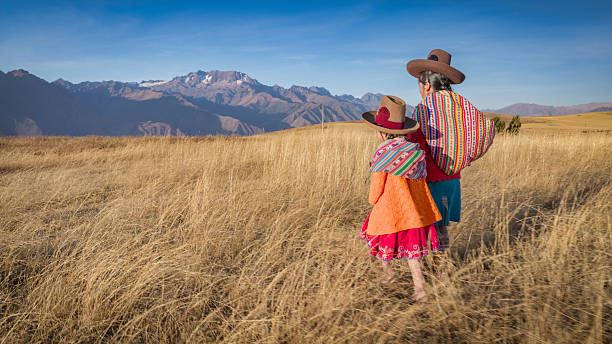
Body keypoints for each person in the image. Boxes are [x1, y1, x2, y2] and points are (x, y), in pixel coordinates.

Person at [360, 95, 442, 301]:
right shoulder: (416, 151)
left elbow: (376, 188)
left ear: (383, 133)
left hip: (390, 211)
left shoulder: (383, 154)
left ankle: (389, 275)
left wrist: (373, 201)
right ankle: (420, 289)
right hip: (413, 211)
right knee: (413, 253)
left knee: (375, 240)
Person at [405, 49, 466, 250]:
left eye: (420, 85)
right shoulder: (457, 108)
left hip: (432, 179)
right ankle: (442, 269)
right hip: (452, 178)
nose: (420, 90)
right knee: (441, 227)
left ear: (427, 85)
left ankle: (432, 268)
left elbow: (416, 145)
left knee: (426, 224)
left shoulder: (424, 109)